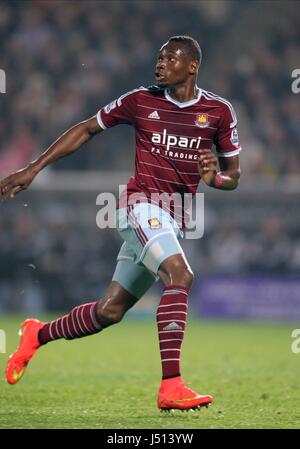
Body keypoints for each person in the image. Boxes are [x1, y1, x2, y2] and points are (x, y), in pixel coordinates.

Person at [1, 35, 241, 412]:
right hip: (140, 206)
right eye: (159, 57)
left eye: (170, 58)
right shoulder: (140, 100)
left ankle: (37, 334)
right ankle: (172, 386)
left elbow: (234, 176)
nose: (160, 63)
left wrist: (214, 180)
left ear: (192, 66)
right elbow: (85, 129)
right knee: (181, 275)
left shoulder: (219, 112)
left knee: (109, 312)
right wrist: (33, 168)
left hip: (172, 220)